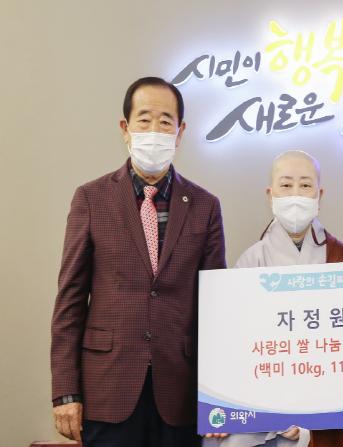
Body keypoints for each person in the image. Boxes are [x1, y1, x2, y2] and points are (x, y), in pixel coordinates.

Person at [50, 77, 226, 446]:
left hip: (180, 394)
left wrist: (219, 395)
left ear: (180, 132)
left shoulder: (205, 205)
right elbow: (69, 302)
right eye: (144, 120)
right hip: (108, 389)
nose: (154, 130)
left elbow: (216, 310)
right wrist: (65, 392)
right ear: (125, 128)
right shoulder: (91, 198)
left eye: (165, 122)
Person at [206, 150, 343, 447]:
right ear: (270, 194)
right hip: (262, 402)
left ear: (319, 194)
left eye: (305, 185)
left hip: (325, 401)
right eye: (286, 185)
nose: (295, 194)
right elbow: (232, 343)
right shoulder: (251, 261)